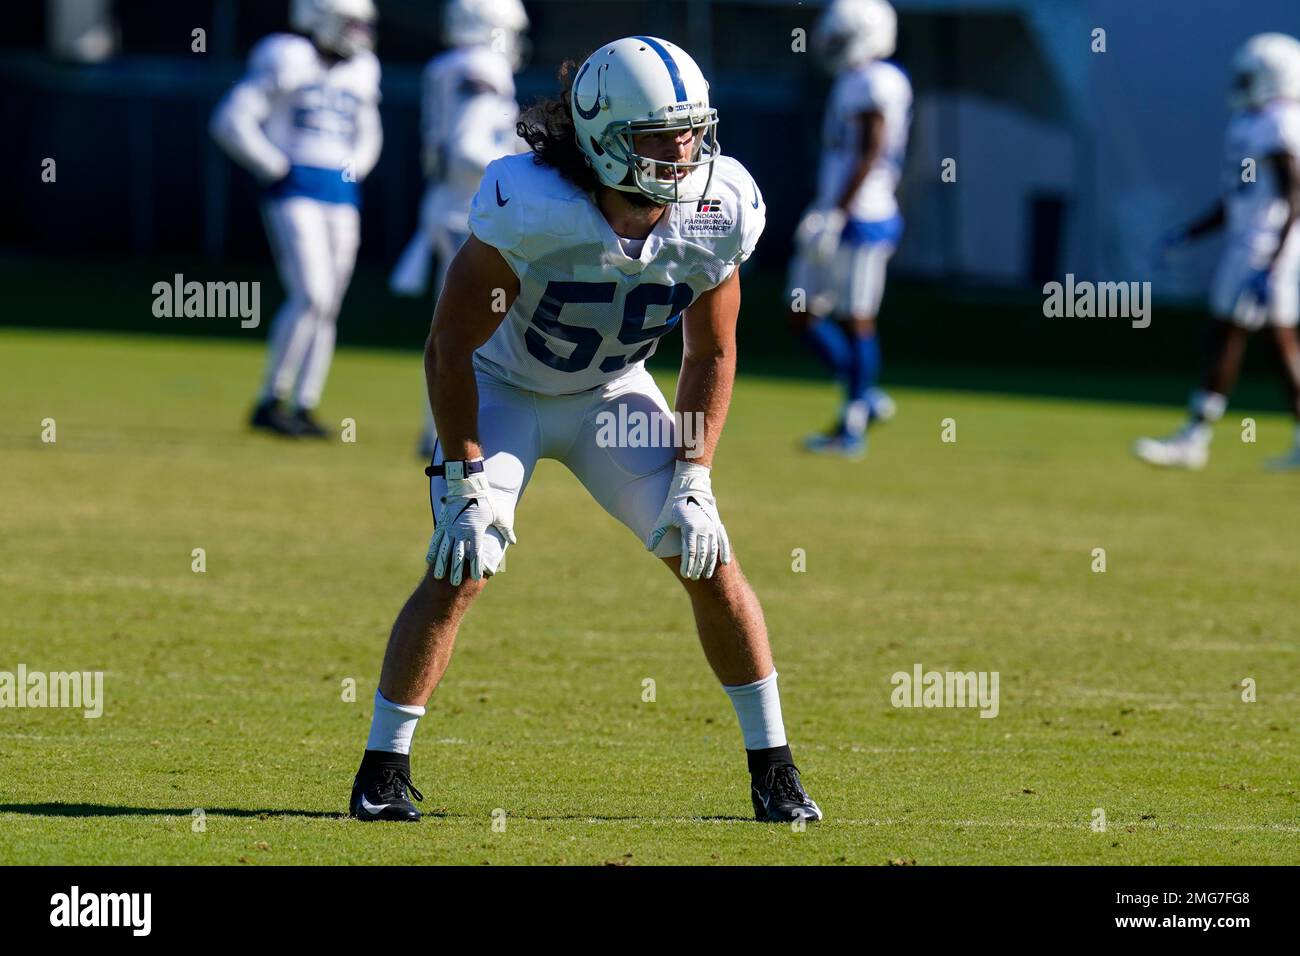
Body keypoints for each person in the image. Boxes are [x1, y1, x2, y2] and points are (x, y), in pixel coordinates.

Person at [349, 36, 822, 825]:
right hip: (503, 390)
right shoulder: (532, 207)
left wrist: (695, 476)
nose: (685, 151)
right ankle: (382, 769)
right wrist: (466, 479)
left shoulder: (718, 208)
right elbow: (450, 346)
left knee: (707, 556)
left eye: (693, 130)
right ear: (605, 141)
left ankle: (774, 769)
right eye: (660, 136)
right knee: (464, 563)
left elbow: (712, 348)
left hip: (611, 393)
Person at [210, 0, 382, 438]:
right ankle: (271, 398)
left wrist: (354, 169)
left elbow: (369, 131)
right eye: (350, 23)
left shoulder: (362, 69)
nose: (358, 33)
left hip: (341, 194)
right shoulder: (285, 54)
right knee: (312, 294)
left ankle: (304, 403)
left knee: (329, 303)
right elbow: (231, 120)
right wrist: (275, 165)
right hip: (294, 191)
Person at [1136, 33, 1300, 470]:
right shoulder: (1250, 123)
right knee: (1278, 344)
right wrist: (1188, 233)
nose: (1242, 83)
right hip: (1253, 243)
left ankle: (1195, 437)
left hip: (1264, 248)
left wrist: (1272, 261)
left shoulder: (1281, 123)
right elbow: (1236, 201)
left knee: (1226, 334)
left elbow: (1294, 195)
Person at [389, 0, 530, 457]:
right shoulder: (481, 65)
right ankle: (445, 433)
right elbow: (469, 147)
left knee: (451, 328)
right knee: (470, 331)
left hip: (448, 207)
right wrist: (518, 170)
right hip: (465, 212)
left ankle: (435, 430)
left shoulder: (448, 66)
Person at [788, 0, 910, 458]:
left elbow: (870, 150)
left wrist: (837, 211)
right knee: (801, 314)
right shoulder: (852, 79)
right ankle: (864, 394)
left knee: (857, 318)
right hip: (836, 209)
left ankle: (851, 425)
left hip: (864, 215)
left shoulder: (879, 81)